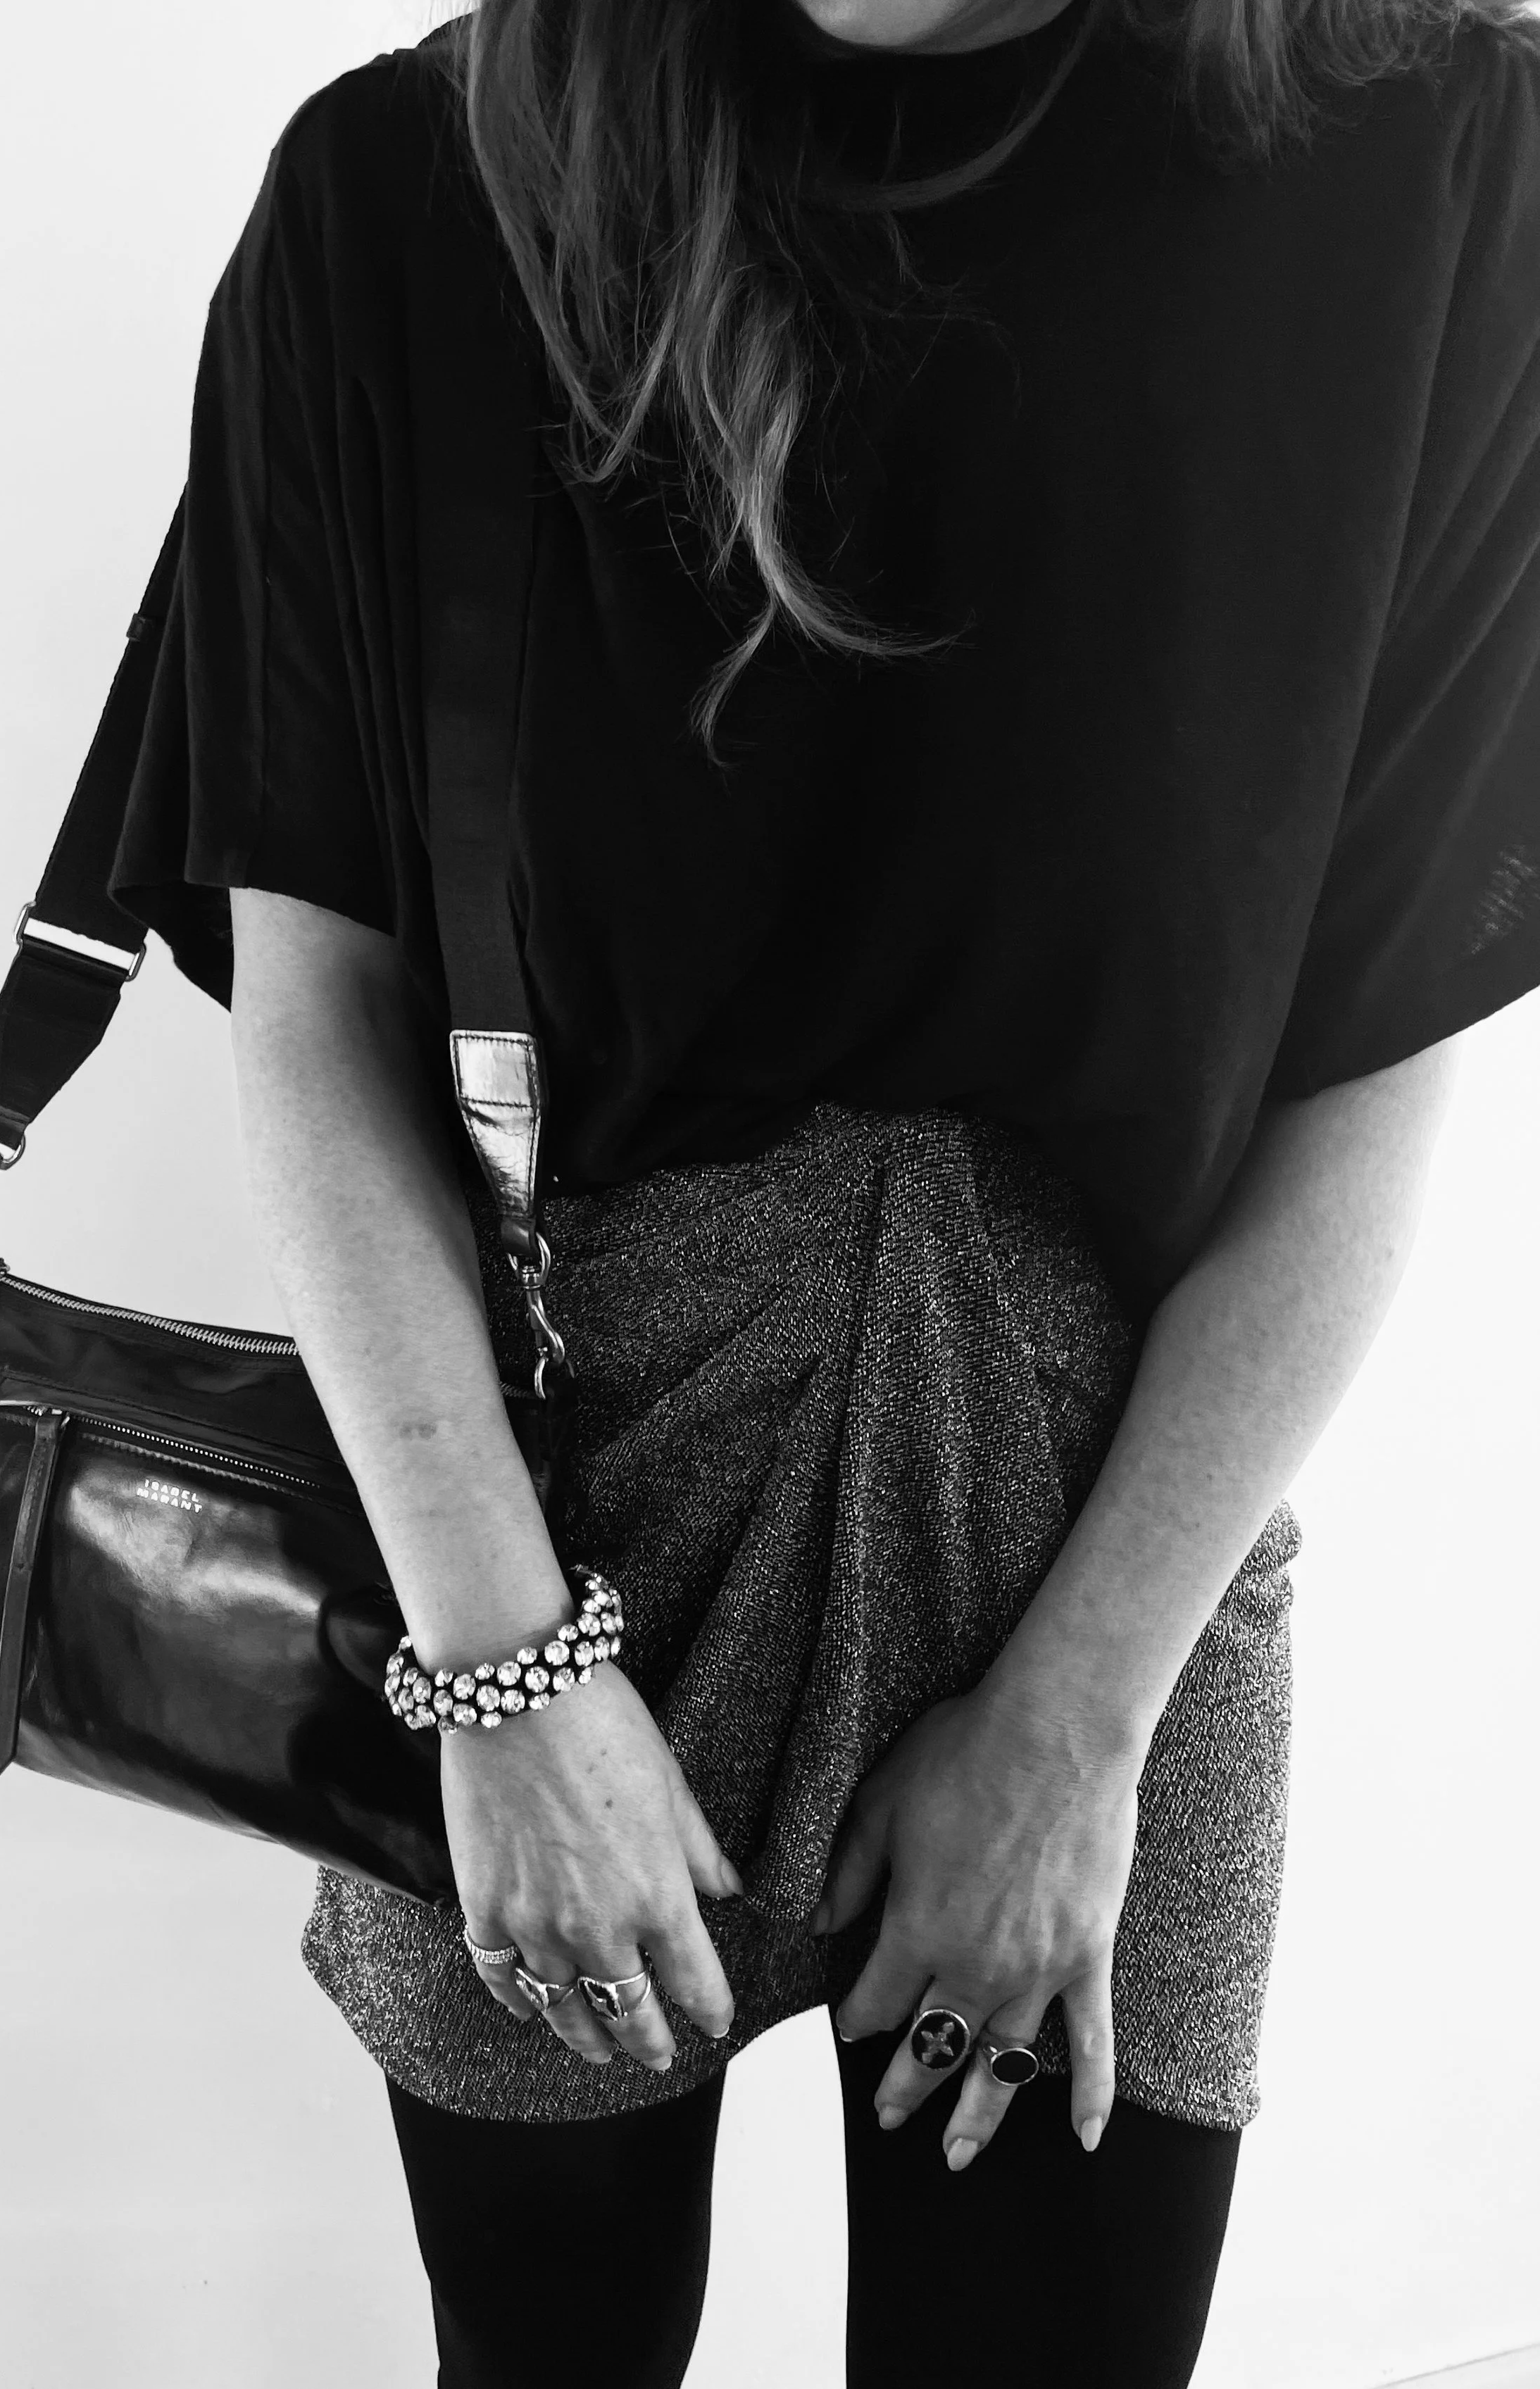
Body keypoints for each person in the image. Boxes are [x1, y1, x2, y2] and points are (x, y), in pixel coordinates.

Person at [111, 0, 1540, 2380]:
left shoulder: (1439, 157)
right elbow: (319, 1005)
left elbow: (1380, 1045)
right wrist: (499, 1675)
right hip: (545, 1537)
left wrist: (1079, 1723)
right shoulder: (409, 185)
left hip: (1112, 1561)